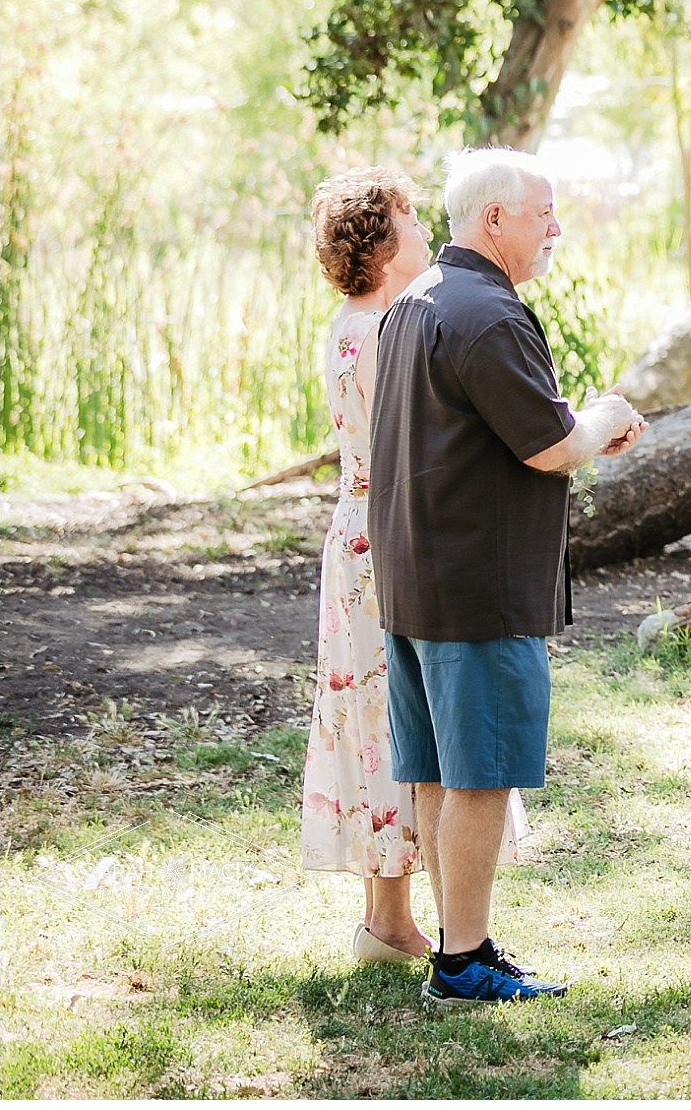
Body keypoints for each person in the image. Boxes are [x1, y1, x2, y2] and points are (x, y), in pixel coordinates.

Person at [369, 148, 645, 1005]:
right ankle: (465, 960)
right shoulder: (488, 313)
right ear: (495, 220)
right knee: (480, 772)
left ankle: (458, 948)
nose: (555, 227)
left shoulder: (413, 303)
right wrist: (603, 416)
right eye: (545, 213)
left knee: (434, 770)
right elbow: (551, 444)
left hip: (414, 574)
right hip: (475, 582)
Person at [302, 167, 443, 963]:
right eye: (410, 216)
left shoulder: (350, 321)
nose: (424, 228)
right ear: (383, 241)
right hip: (385, 534)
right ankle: (395, 921)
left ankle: (388, 920)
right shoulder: (388, 330)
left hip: (356, 530)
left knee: (375, 714)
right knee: (397, 711)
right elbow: (415, 447)